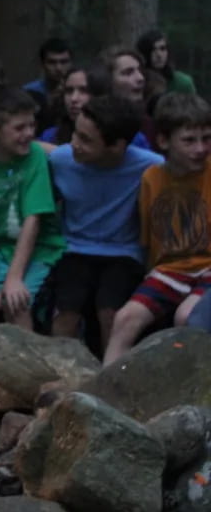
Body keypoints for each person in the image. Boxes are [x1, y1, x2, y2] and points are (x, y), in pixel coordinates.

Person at [48, 95, 164, 355]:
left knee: (110, 311)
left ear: (117, 146)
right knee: (66, 312)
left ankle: (110, 377)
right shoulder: (62, 160)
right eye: (76, 134)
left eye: (86, 140)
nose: (75, 144)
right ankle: (58, 372)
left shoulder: (148, 166)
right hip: (74, 248)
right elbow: (39, 151)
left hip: (122, 251)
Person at [103, 93, 211, 365]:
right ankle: (104, 391)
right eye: (189, 140)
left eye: (206, 139)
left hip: (209, 266)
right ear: (163, 141)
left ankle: (188, 391)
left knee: (187, 316)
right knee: (125, 318)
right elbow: (150, 238)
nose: (200, 148)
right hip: (171, 268)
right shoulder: (152, 178)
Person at [0, 86, 65, 329]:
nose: (29, 134)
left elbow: (33, 219)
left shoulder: (34, 157)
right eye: (19, 128)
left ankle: (29, 365)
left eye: (32, 126)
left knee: (15, 302)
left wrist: (14, 278)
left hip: (38, 250)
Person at [38, 66, 152, 152]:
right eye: (69, 91)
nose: (73, 98)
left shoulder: (131, 138)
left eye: (83, 91)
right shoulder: (50, 136)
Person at [24, 38, 72, 133]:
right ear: (42, 64)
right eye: (52, 62)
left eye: (64, 62)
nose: (58, 68)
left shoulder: (79, 92)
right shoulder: (28, 92)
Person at [136, 30, 196, 95]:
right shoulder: (137, 82)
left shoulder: (182, 83)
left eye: (162, 48)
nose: (159, 54)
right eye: (153, 50)